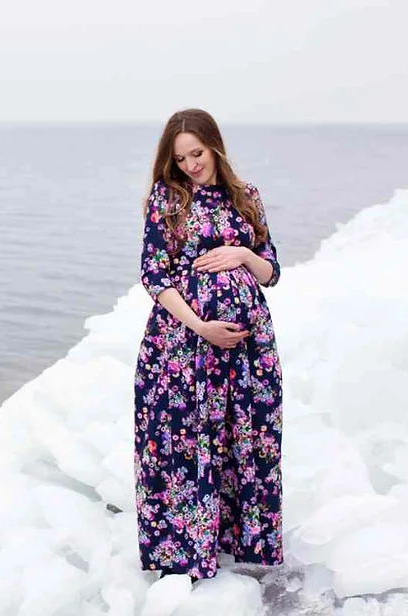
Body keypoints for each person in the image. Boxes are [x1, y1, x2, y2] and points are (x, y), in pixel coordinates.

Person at [133, 108, 284, 584]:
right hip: (184, 342)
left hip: (249, 347)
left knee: (247, 435)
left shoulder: (246, 196)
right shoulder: (167, 198)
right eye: (180, 159)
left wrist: (242, 253)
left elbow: (271, 271)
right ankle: (183, 552)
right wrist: (202, 326)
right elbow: (154, 275)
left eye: (196, 153)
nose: (191, 165)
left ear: (214, 146)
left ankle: (242, 542)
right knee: (185, 437)